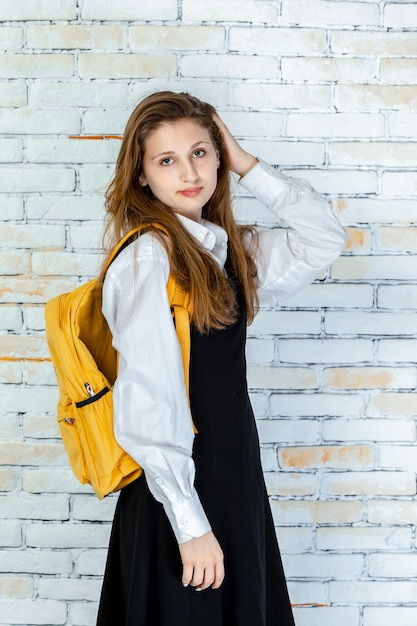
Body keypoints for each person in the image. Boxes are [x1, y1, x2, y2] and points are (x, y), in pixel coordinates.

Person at [96, 91, 346, 626]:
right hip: (181, 493)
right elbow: (148, 402)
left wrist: (246, 163)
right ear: (141, 175)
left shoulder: (230, 248)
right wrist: (191, 526)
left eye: (201, 153)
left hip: (234, 481)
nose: (189, 172)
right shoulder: (148, 258)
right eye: (166, 160)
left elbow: (323, 238)